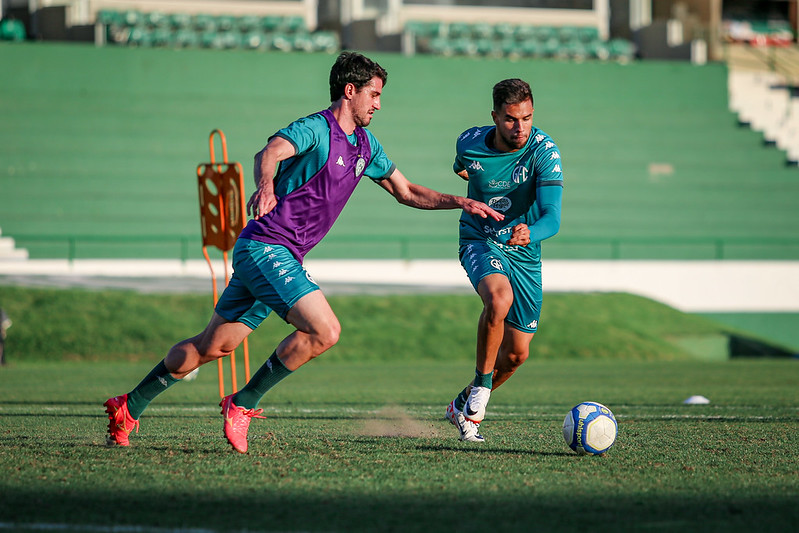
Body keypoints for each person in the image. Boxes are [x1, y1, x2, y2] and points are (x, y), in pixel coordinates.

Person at [103, 51, 503, 453]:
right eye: (374, 94)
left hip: (278, 256)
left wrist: (460, 202)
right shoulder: (316, 128)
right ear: (351, 91)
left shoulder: (367, 144)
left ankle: (128, 406)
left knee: (214, 346)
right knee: (325, 330)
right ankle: (242, 404)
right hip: (265, 247)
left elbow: (408, 191)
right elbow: (270, 152)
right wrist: (266, 185)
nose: (378, 104)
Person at [444, 78, 563, 442]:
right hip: (480, 239)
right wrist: (480, 195)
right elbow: (461, 167)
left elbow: (552, 217)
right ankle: (480, 393)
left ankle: (461, 402)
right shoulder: (469, 142)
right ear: (495, 116)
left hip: (524, 251)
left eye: (527, 117)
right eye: (511, 119)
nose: (520, 127)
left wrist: (531, 232)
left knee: (516, 356)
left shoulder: (544, 151)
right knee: (498, 299)